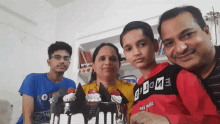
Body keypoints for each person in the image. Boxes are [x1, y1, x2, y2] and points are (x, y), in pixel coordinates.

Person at [120, 21, 220, 124]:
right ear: (125, 54)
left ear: (155, 45)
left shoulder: (178, 75)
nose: (136, 53)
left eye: (142, 44)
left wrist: (167, 120)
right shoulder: (136, 88)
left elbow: (213, 120)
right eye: (129, 49)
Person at [158, 5, 220, 112]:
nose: (180, 49)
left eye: (187, 35)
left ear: (207, 32)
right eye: (169, 43)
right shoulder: (169, 80)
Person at [16, 41, 76, 124]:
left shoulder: (71, 84)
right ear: (49, 62)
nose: (62, 61)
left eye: (66, 58)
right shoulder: (32, 79)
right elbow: (27, 118)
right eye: (57, 57)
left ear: (69, 62)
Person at [82, 43, 134, 122]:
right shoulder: (81, 92)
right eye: (102, 58)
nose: (108, 62)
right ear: (93, 66)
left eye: (113, 59)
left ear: (119, 65)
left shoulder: (133, 90)